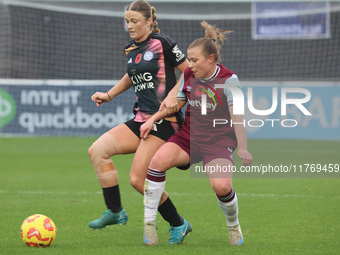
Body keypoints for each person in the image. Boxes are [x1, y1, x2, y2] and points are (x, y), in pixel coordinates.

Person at [140, 21, 253, 246]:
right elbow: (174, 104)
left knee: (221, 186)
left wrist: (243, 147)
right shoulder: (190, 75)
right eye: (189, 60)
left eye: (194, 60)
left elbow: (237, 116)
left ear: (210, 59)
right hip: (189, 137)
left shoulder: (229, 79)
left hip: (219, 141)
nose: (189, 65)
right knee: (157, 162)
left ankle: (233, 226)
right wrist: (151, 120)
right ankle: (149, 224)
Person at [88, 0, 191, 245]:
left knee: (137, 179)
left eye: (135, 21)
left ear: (149, 21)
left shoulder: (163, 42)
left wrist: (174, 97)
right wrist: (109, 94)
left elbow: (190, 72)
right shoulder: (131, 49)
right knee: (97, 151)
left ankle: (178, 223)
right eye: (127, 21)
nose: (130, 26)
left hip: (165, 120)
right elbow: (131, 75)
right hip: (140, 119)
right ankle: (115, 211)